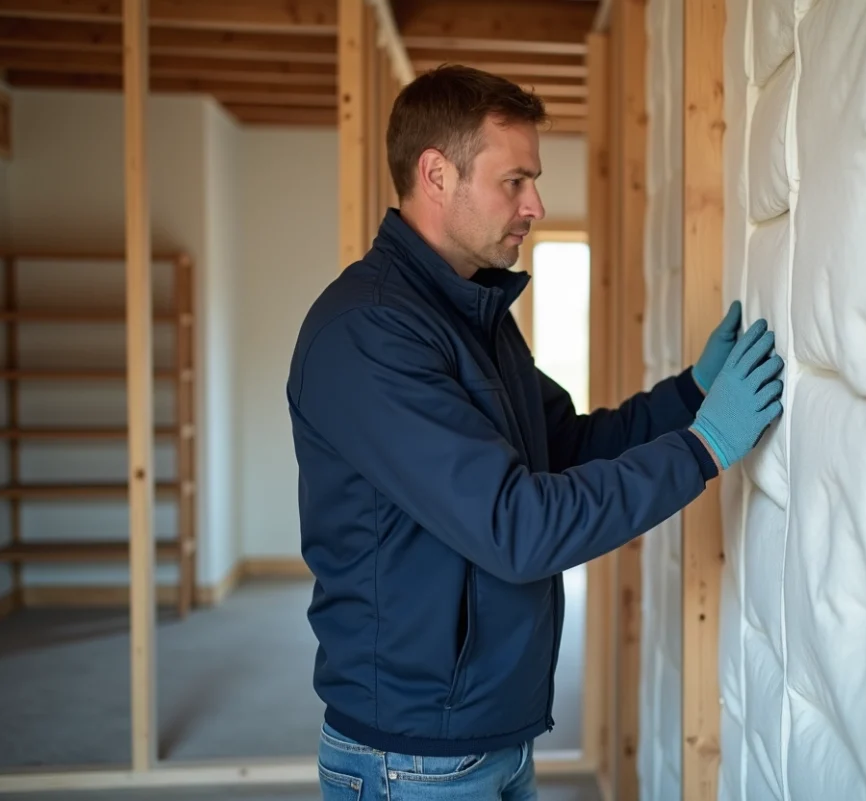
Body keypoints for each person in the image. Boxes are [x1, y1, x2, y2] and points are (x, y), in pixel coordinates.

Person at [286, 64, 784, 800]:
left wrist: (690, 396)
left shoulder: (472, 316)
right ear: (436, 175)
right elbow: (518, 526)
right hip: (413, 759)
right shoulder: (370, 334)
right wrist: (703, 446)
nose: (536, 204)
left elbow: (567, 447)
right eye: (514, 181)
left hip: (486, 737)